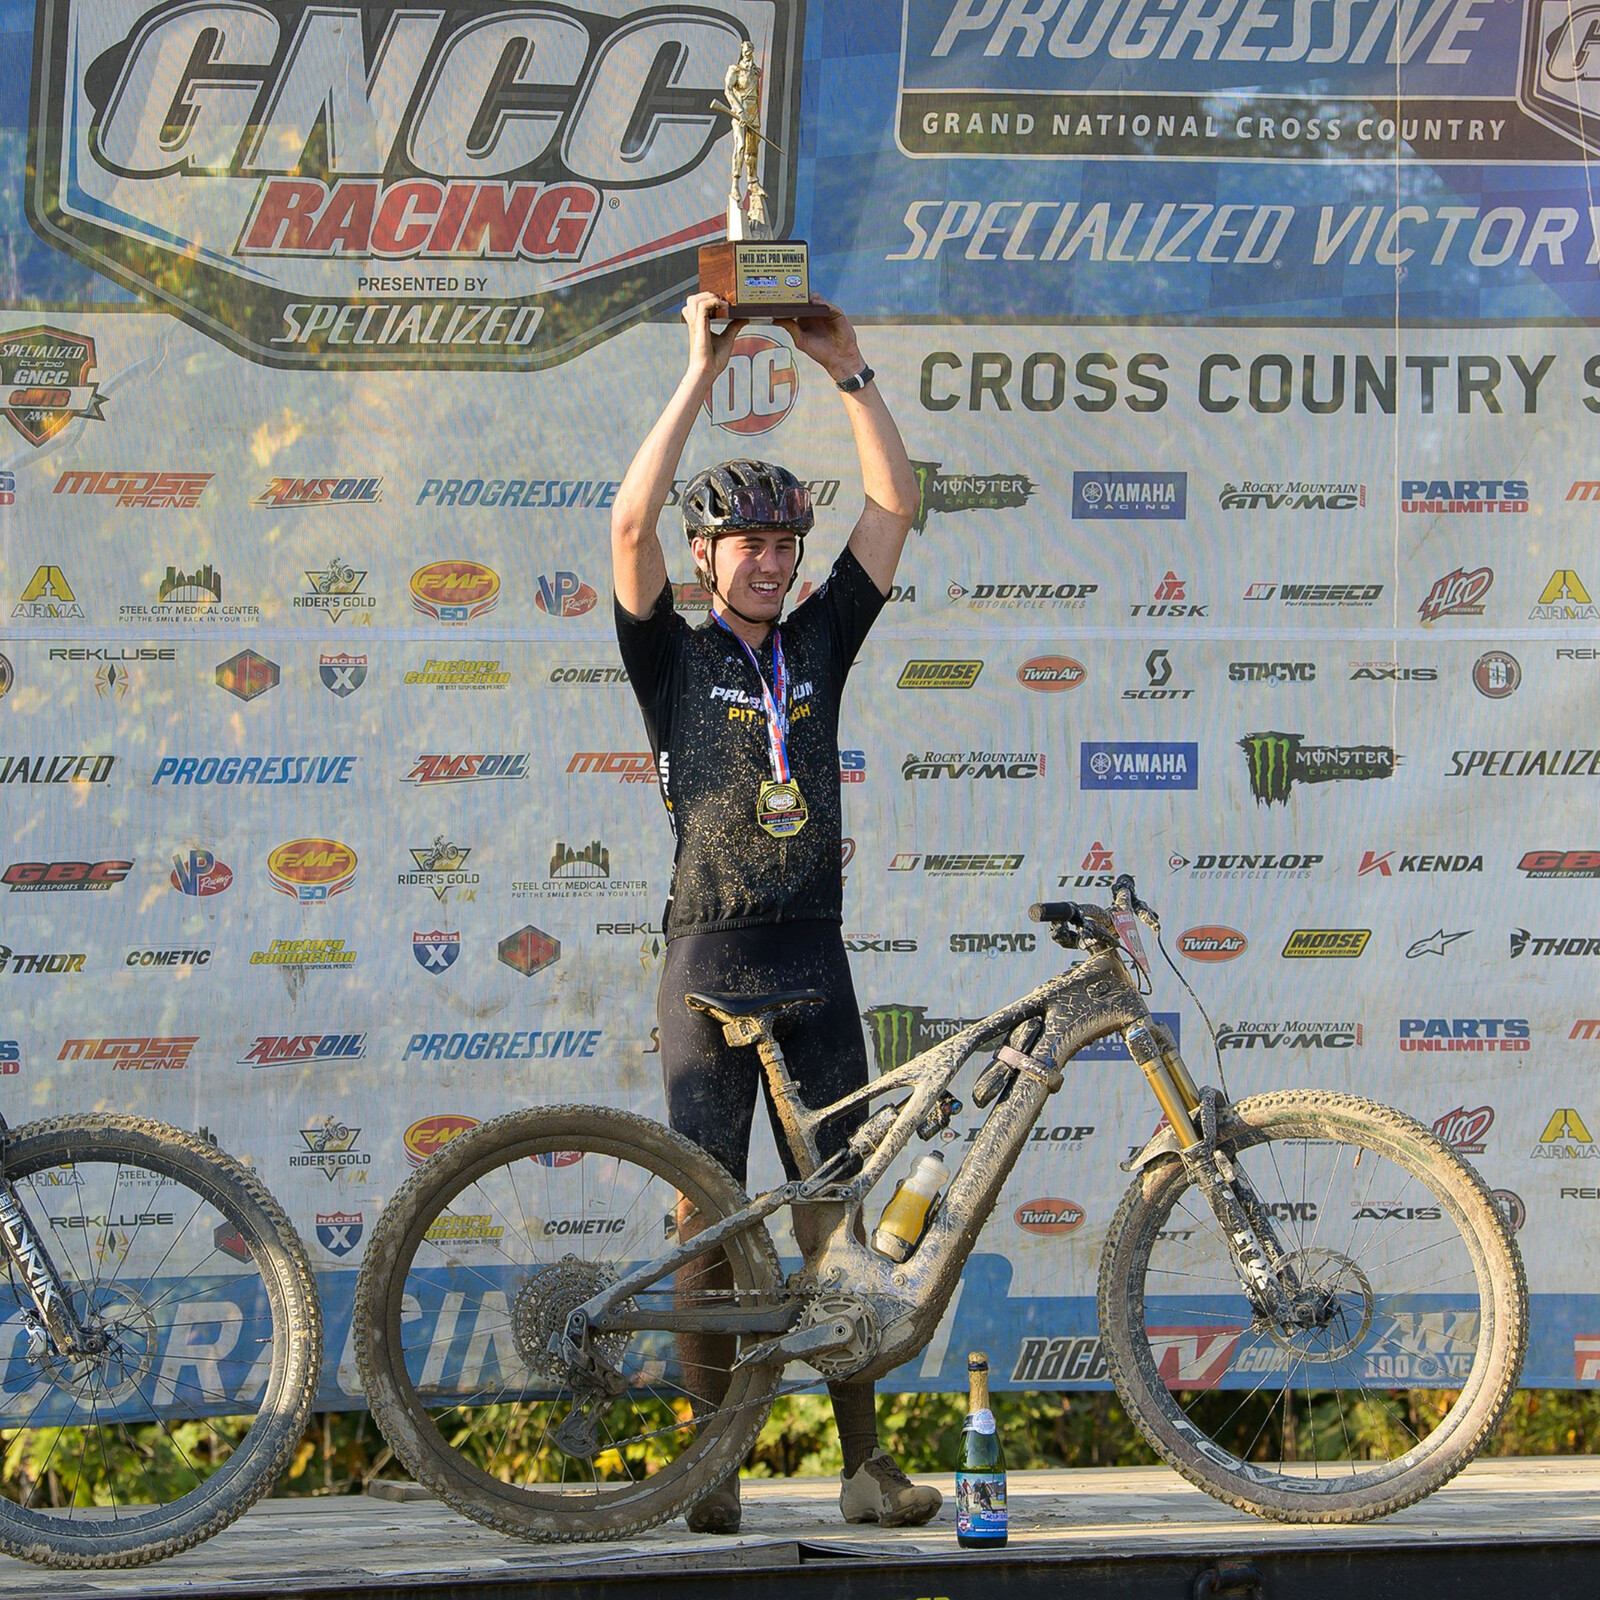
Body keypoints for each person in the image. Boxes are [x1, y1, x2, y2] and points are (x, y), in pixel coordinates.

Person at [610, 292, 938, 1534]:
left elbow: (895, 506)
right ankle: (714, 1465)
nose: (766, 554)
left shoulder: (817, 641)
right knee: (706, 1214)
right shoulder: (671, 655)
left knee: (833, 1215)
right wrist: (698, 373)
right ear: (706, 556)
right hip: (705, 950)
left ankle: (864, 1466)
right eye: (742, 539)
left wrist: (851, 375)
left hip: (813, 953)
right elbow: (629, 519)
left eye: (780, 538)